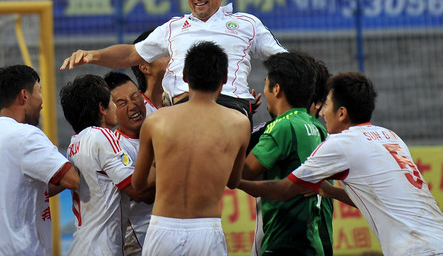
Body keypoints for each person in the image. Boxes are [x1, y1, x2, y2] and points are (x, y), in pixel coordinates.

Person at [238, 71, 443, 256]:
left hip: (417, 249)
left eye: (326, 105)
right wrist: (330, 191)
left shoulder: (341, 143)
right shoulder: (390, 136)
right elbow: (377, 199)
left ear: (342, 113)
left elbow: (284, 190)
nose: (322, 113)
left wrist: (234, 180)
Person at [60, 0, 286, 123]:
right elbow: (131, 54)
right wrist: (93, 55)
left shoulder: (247, 23)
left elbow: (283, 59)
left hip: (231, 105)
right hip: (182, 107)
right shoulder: (173, 27)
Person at [132, 41, 250, 256]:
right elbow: (233, 182)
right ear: (224, 77)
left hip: (162, 228)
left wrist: (166, 163)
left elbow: (138, 184)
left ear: (184, 75)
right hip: (207, 229)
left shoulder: (157, 120)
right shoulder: (239, 123)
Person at [0, 64, 80, 256]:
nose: (42, 101)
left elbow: (25, 191)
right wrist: (87, 154)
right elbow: (72, 179)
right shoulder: (26, 136)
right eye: (39, 91)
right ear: (24, 96)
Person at [241, 51, 332, 256]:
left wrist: (240, 119)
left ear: (277, 88)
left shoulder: (281, 126)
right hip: (317, 240)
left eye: (266, 84)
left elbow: (243, 174)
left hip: (285, 241)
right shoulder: (319, 129)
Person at [59, 74, 152, 256]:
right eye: (113, 102)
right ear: (102, 108)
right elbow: (137, 190)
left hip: (82, 246)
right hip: (101, 249)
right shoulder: (103, 136)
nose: (116, 107)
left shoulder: (74, 143)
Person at [103, 71, 152, 256]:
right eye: (122, 103)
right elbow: (142, 194)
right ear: (109, 109)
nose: (133, 106)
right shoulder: (116, 146)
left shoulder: (159, 129)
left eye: (135, 97)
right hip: (139, 242)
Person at [130, 28, 170, 110]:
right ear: (144, 67)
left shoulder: (188, 99)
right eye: (165, 53)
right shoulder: (137, 112)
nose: (172, 58)